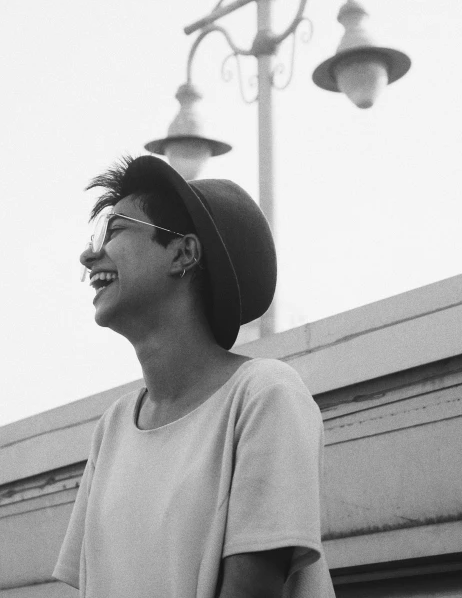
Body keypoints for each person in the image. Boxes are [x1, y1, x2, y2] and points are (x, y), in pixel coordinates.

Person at [53, 154, 335, 598]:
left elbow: (251, 590)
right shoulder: (112, 428)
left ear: (183, 252)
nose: (89, 255)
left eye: (117, 229)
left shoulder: (265, 395)